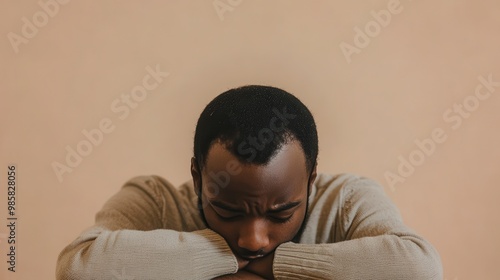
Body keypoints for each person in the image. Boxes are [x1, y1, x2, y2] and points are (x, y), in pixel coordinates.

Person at [56, 86, 443, 279]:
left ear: (311, 180)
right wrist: (222, 256)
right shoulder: (154, 201)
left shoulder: (346, 200)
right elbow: (80, 267)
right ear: (198, 177)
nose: (254, 240)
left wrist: (281, 263)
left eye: (281, 212)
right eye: (227, 209)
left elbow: (419, 268)